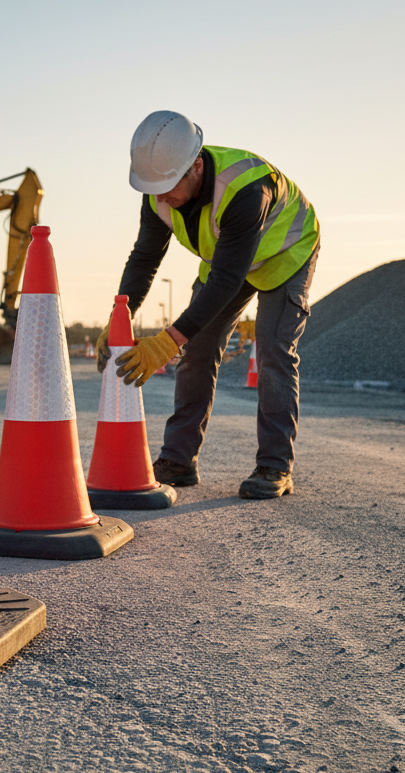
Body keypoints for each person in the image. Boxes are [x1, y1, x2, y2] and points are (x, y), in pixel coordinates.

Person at [97, 111, 321, 499]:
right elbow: (144, 257)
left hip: (287, 253)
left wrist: (167, 341)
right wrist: (122, 314)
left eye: (168, 185)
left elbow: (226, 281)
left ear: (196, 166)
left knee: (273, 351)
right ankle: (178, 460)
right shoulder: (157, 194)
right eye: (154, 188)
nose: (161, 196)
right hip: (227, 260)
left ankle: (274, 466)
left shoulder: (246, 190)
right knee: (197, 351)